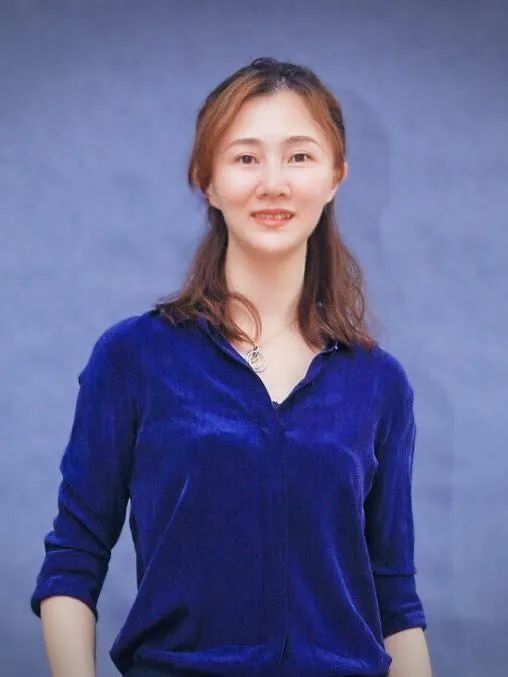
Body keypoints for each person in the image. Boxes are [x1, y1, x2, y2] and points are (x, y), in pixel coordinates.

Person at [30, 57, 433, 677]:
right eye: (246, 158)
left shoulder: (380, 384)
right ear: (207, 181)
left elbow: (395, 600)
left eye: (299, 157)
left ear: (335, 177)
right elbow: (72, 563)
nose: (273, 183)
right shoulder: (135, 357)